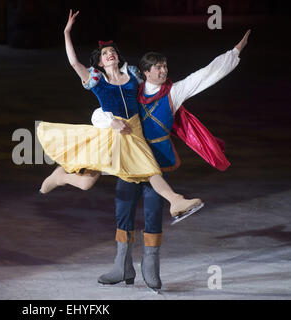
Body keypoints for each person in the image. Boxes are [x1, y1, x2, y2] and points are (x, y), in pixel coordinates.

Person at [90, 29, 251, 291]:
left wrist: (234, 52)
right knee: (123, 212)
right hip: (130, 163)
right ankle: (122, 266)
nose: (163, 71)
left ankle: (151, 268)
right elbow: (100, 111)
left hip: (158, 164)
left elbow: (205, 74)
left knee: (153, 215)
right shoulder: (131, 90)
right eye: (157, 67)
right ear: (144, 72)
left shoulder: (173, 93)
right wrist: (111, 122)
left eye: (164, 66)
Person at [37, 10, 203, 222]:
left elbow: (151, 87)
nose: (110, 54)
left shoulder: (133, 75)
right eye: (105, 54)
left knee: (150, 169)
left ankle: (175, 202)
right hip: (110, 135)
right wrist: (67, 32)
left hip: (134, 131)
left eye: (112, 51)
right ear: (100, 63)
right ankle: (61, 177)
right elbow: (73, 63)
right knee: (87, 183)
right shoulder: (97, 81)